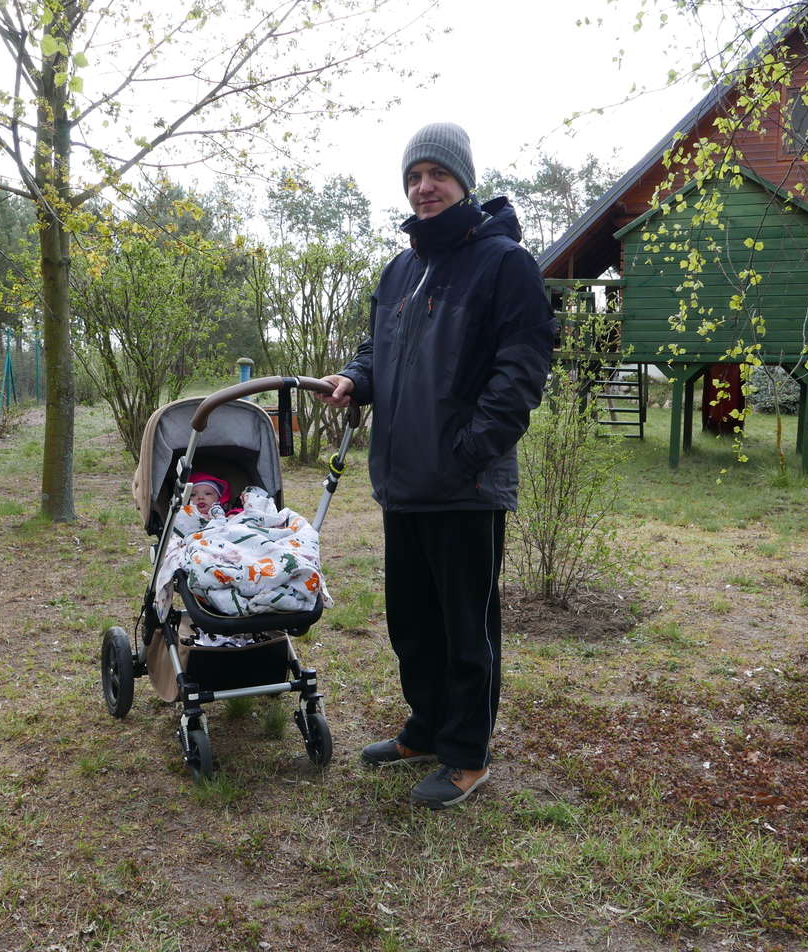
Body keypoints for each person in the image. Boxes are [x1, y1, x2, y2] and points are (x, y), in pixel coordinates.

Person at [319, 122, 553, 810]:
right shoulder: (401, 268)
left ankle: (466, 752)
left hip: (464, 484)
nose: (424, 187)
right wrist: (355, 377)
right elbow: (377, 348)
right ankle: (425, 728)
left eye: (438, 175)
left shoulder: (504, 263)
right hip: (404, 480)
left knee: (464, 629)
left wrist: (471, 448)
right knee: (412, 622)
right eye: (414, 177)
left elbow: (522, 368)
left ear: (464, 183)